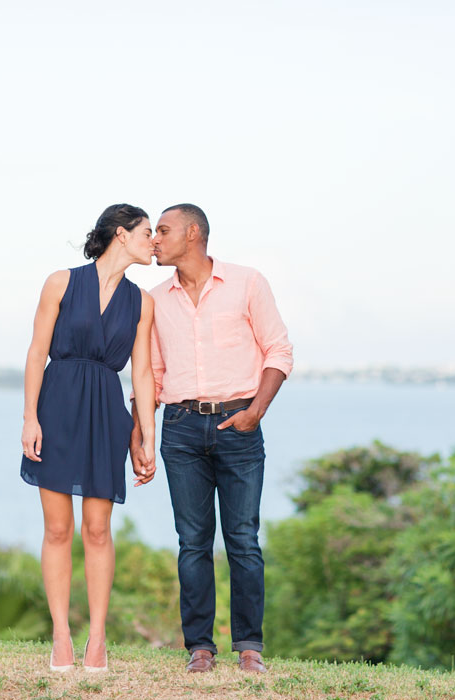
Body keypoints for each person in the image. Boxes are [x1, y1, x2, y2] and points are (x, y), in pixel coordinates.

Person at [130, 203, 293, 674]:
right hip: (181, 430)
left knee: (243, 539)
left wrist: (254, 412)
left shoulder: (247, 282)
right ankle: (199, 647)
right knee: (192, 542)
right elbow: (152, 376)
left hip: (238, 425)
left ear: (194, 233)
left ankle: (249, 647)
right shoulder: (155, 299)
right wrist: (140, 435)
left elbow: (278, 349)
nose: (155, 239)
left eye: (163, 230)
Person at [20, 203, 158, 672]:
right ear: (121, 234)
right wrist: (29, 418)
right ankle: (61, 635)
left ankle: (97, 638)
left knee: (97, 530)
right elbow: (37, 351)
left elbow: (141, 371)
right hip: (56, 407)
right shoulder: (61, 282)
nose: (153, 241)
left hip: (105, 411)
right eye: (146, 233)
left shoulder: (143, 302)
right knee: (57, 528)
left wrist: (145, 435)